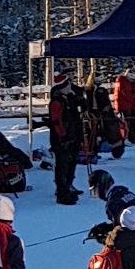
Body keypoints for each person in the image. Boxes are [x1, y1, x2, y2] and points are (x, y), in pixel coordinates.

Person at [48, 69, 85, 203]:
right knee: (62, 165)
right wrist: (63, 137)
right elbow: (56, 121)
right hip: (62, 139)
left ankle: (68, 187)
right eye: (68, 84)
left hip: (71, 136)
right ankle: (62, 192)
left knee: (70, 163)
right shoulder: (57, 101)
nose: (70, 86)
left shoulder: (68, 99)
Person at [113, 66, 135, 144]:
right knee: (126, 123)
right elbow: (126, 94)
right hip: (124, 106)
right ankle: (126, 138)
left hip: (130, 106)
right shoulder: (122, 81)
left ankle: (133, 137)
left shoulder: (129, 82)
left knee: (134, 121)